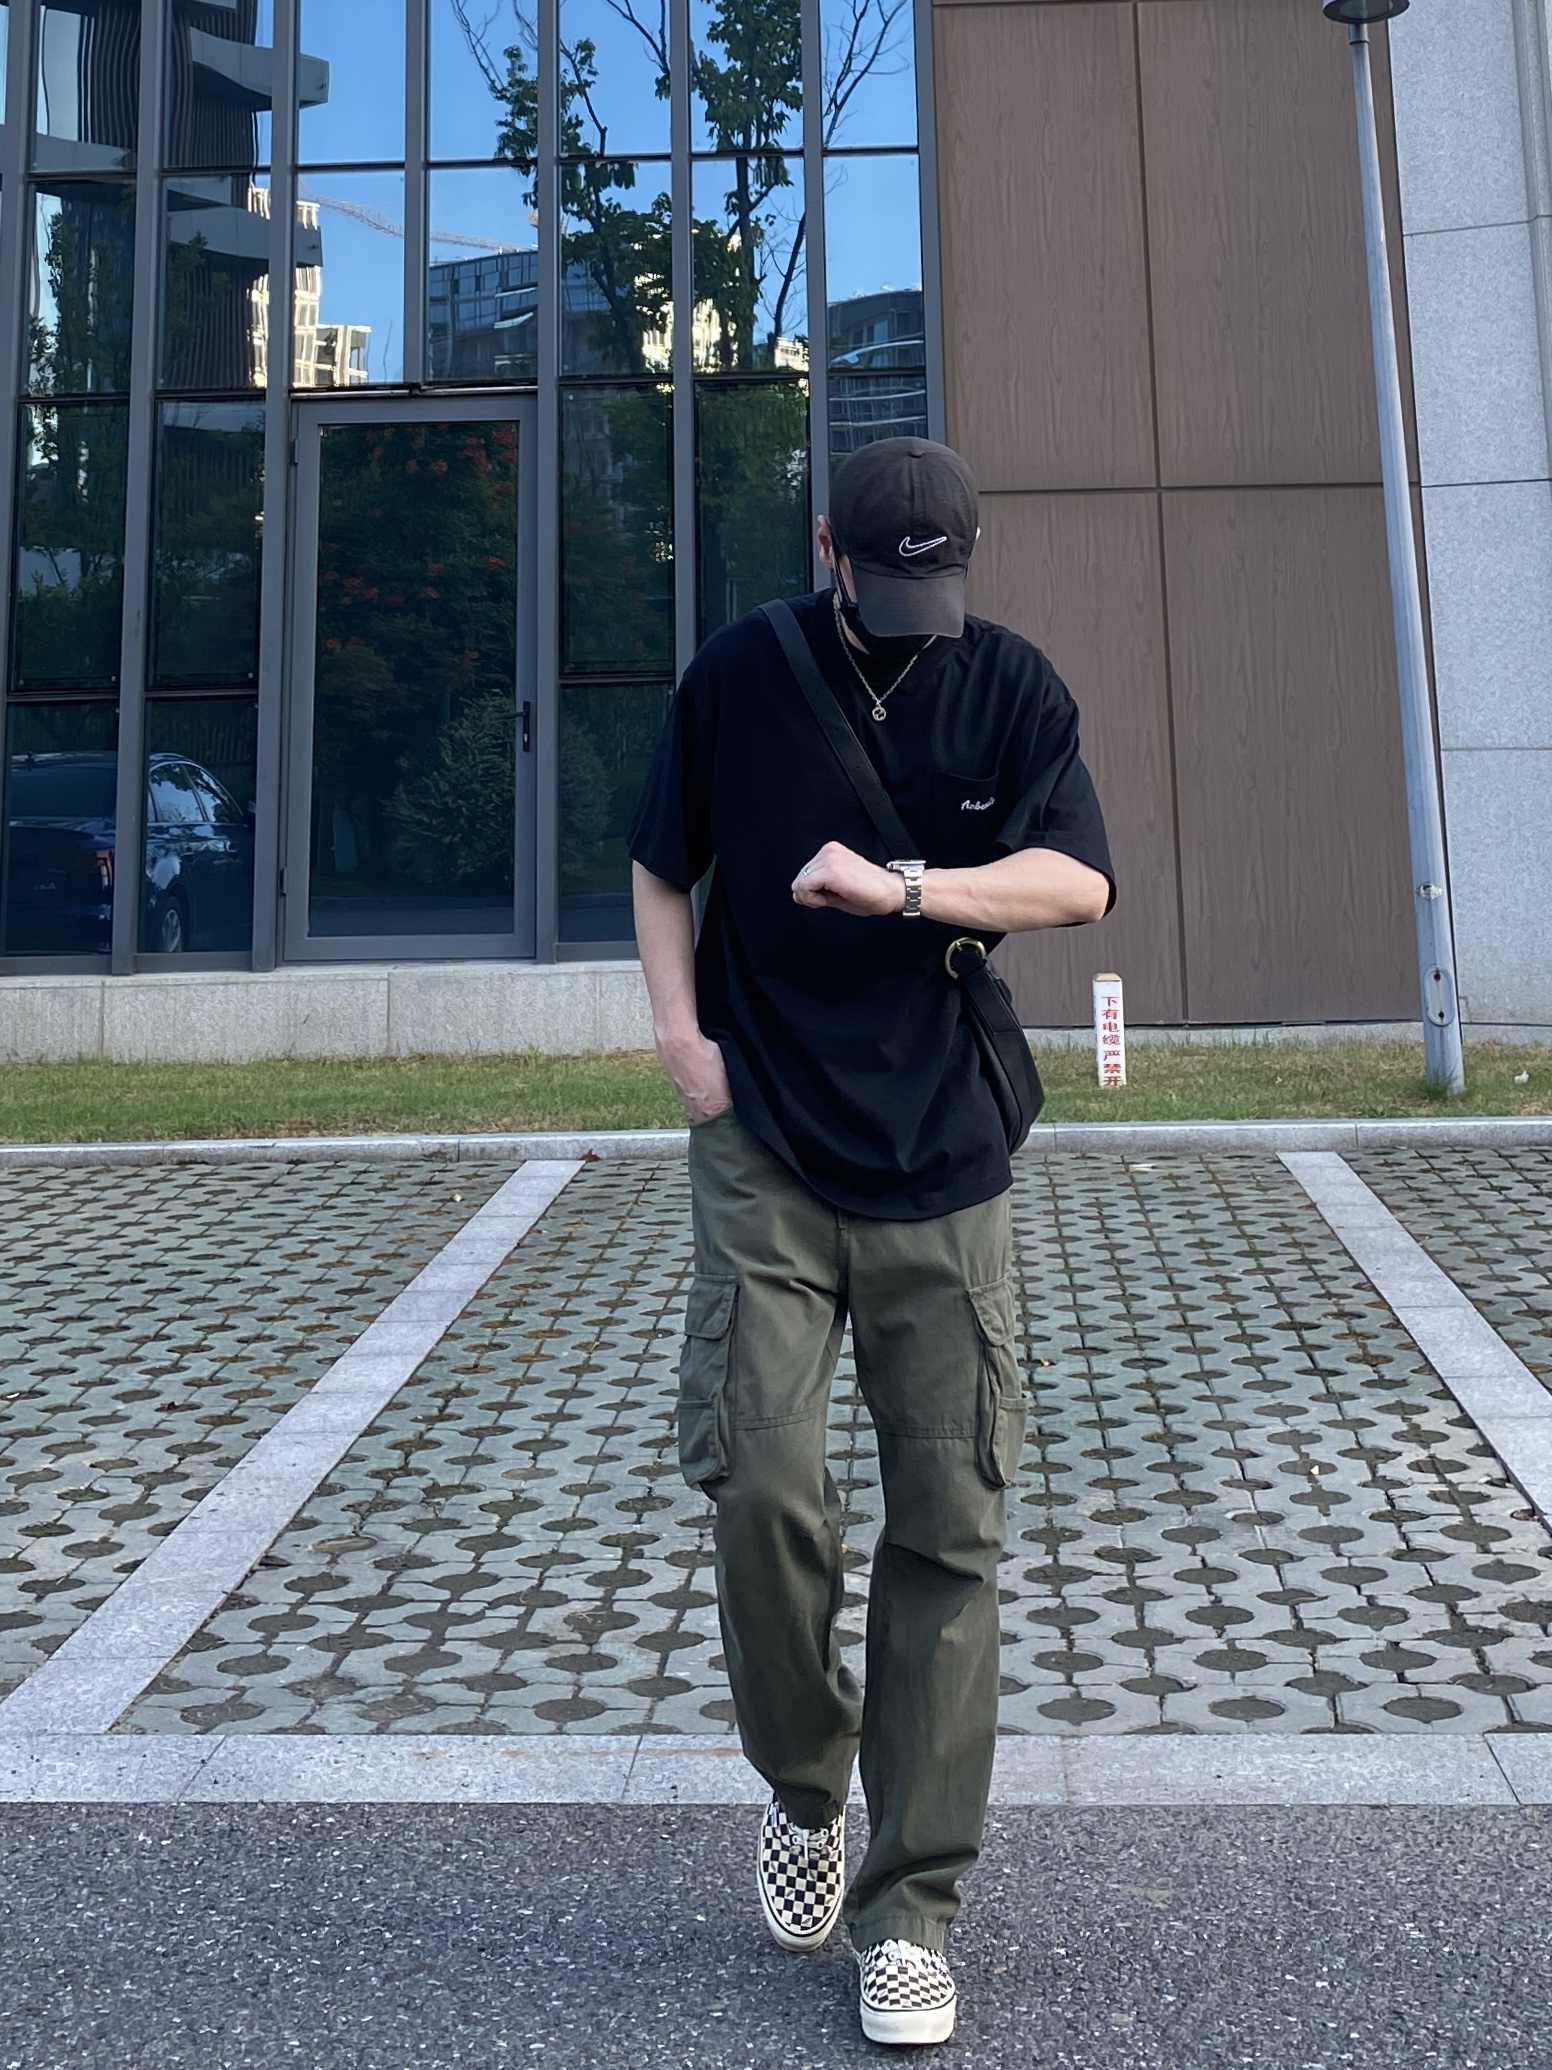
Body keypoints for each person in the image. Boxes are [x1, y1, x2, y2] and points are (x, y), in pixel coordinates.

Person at [628, 437, 1114, 2048]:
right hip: (766, 1136)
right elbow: (660, 861)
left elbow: (1078, 882)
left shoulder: (1012, 684)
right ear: (829, 545)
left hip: (946, 1156)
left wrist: (906, 889)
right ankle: (803, 1784)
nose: (918, 613)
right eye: (889, 581)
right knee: (762, 1480)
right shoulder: (742, 675)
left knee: (949, 1523)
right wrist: (683, 1041)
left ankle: (910, 1909)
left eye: (940, 585)